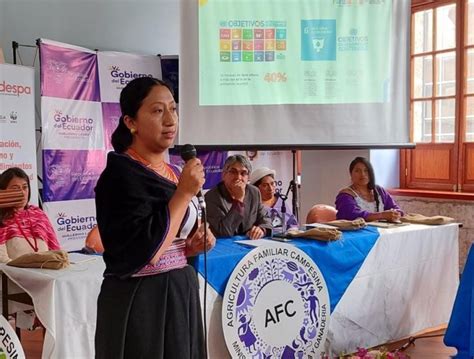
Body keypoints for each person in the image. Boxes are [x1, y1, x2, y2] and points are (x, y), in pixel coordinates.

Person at [94, 77, 215, 358]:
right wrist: (184, 193)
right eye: (158, 111)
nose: (171, 119)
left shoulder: (174, 172)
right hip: (141, 300)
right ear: (131, 122)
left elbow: (171, 237)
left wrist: (192, 247)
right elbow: (146, 249)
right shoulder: (119, 175)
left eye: (173, 109)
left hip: (178, 290)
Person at [0, 167, 60, 263]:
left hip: (45, 273)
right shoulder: (1, 217)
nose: (22, 193)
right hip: (13, 275)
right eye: (15, 189)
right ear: (3, 191)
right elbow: (2, 259)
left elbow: (55, 250)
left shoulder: (38, 214)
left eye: (25, 187)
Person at [205, 155, 272, 239]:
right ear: (224, 175)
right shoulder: (211, 197)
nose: (238, 177)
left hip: (251, 244)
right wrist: (239, 200)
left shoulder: (254, 192)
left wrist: (262, 229)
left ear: (248, 178)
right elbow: (223, 232)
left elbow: (265, 219)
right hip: (224, 248)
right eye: (233, 172)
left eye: (243, 173)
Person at [335, 157, 403, 222]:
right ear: (351, 174)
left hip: (381, 231)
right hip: (356, 232)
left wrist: (395, 214)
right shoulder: (345, 195)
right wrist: (382, 215)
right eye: (357, 171)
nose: (362, 174)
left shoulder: (379, 191)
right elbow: (353, 215)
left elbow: (396, 209)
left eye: (366, 171)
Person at [249, 167, 298, 231]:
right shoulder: (253, 205)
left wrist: (292, 230)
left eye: (272, 183)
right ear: (256, 188)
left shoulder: (280, 201)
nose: (270, 188)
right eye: (265, 185)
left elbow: (292, 222)